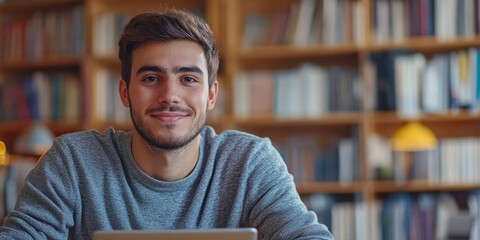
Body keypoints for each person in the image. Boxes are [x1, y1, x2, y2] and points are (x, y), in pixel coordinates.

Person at [0, 9, 333, 240]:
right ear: (125, 91)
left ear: (212, 95)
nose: (170, 95)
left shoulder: (249, 162)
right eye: (151, 77)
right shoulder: (73, 160)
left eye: (188, 78)